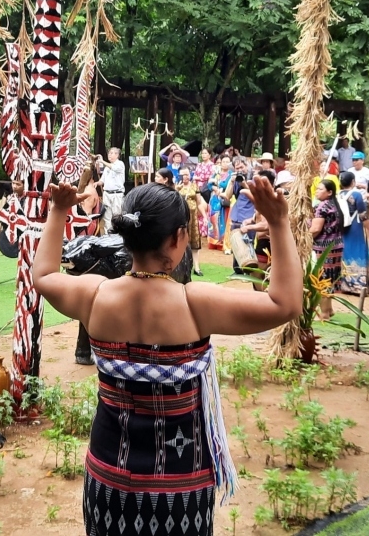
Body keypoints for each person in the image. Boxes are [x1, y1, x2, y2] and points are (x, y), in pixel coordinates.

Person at [32, 178, 302, 536]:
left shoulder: (95, 296)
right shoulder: (195, 303)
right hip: (180, 489)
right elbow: (286, 303)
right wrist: (279, 224)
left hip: (108, 478)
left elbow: (44, 274)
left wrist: (58, 210)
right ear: (177, 238)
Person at [310, 177, 344, 321]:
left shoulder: (323, 206)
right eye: (317, 188)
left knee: (322, 279)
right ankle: (329, 310)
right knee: (329, 278)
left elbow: (316, 229)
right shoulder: (333, 204)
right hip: (335, 245)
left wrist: (303, 236)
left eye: (320, 189)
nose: (317, 191)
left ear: (329, 192)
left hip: (324, 247)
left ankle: (324, 313)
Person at [336, 171, 369, 295]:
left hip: (341, 227)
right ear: (353, 182)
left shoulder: (337, 194)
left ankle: (343, 283)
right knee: (357, 252)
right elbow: (363, 214)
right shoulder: (356, 195)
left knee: (344, 252)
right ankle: (357, 285)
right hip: (355, 226)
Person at [177, 168, 209, 276]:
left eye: (186, 174)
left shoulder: (194, 186)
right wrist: (176, 189)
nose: (185, 177)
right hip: (181, 218)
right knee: (180, 241)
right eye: (182, 175)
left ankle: (197, 267)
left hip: (193, 218)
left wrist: (204, 216)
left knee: (195, 242)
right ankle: (181, 266)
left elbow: (199, 202)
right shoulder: (177, 186)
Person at [96, 147, 126, 233]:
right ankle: (107, 236)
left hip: (117, 194)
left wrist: (102, 161)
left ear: (117, 155)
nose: (110, 155)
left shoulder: (120, 164)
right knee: (107, 216)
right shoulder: (106, 168)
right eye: (109, 153)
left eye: (112, 153)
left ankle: (117, 236)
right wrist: (96, 183)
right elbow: (102, 181)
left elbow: (114, 168)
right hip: (106, 194)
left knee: (117, 216)